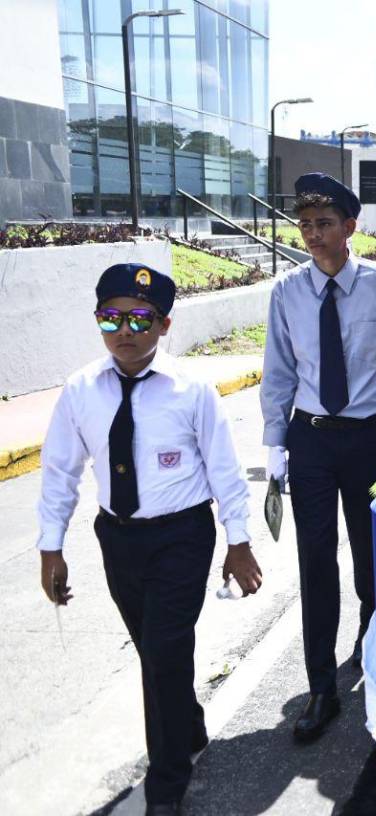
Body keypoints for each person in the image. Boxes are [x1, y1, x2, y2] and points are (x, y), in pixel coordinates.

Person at [37, 263, 261, 816]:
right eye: (110, 318)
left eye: (140, 319)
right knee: (153, 650)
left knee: (163, 650)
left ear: (164, 325)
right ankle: (187, 725)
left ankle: (166, 782)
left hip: (182, 535)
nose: (124, 331)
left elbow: (225, 469)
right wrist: (50, 547)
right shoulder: (81, 390)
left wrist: (238, 541)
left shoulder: (191, 390)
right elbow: (61, 471)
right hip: (118, 539)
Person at [260, 172, 376, 743]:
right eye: (305, 225)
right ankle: (321, 687)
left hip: (368, 438)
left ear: (349, 227)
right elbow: (279, 371)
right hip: (311, 440)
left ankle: (372, 645)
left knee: (372, 556)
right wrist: (275, 443)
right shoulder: (287, 292)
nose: (313, 234)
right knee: (316, 562)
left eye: (324, 224)